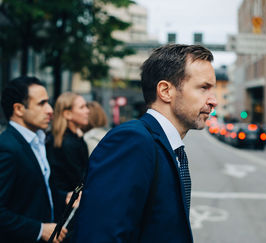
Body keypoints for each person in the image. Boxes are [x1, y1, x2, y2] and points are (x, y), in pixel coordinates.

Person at [73, 44, 217, 242]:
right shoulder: (132, 141)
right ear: (165, 91)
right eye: (203, 88)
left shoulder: (165, 145)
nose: (213, 101)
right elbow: (100, 235)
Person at [0, 76, 67, 243]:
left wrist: (65, 197)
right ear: (19, 109)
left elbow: (34, 193)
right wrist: (39, 229)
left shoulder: (37, 141)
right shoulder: (6, 148)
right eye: (42, 103)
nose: (50, 110)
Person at [47, 92, 90, 193]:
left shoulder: (66, 138)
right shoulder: (68, 142)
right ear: (67, 114)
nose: (87, 111)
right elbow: (80, 178)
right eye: (82, 107)